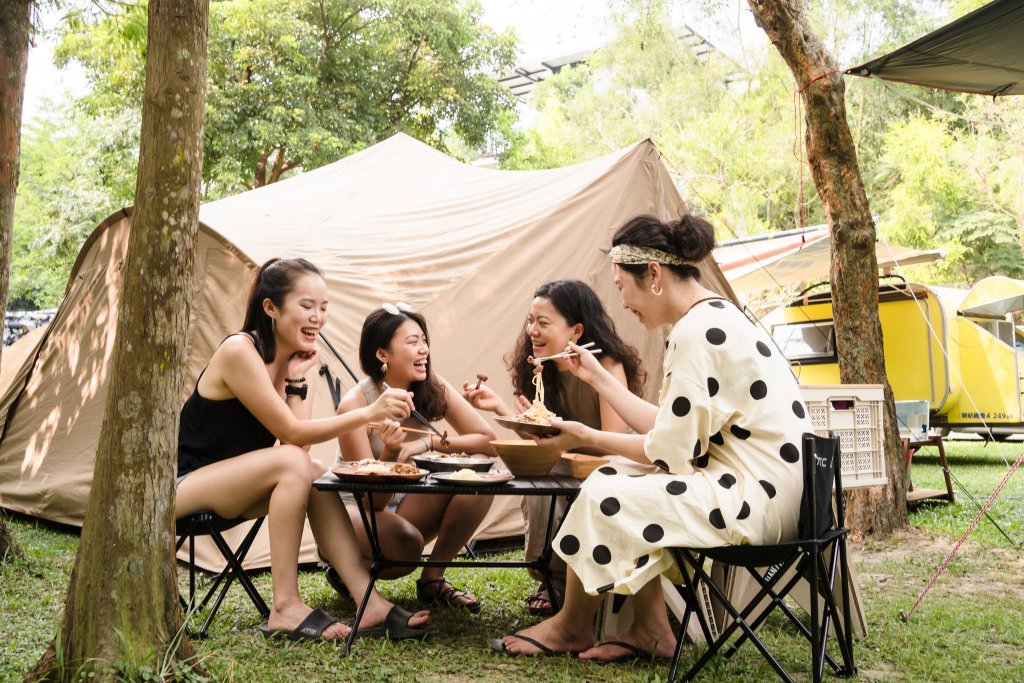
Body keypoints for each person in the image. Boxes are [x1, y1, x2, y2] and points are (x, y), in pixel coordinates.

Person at [493, 214, 813, 661]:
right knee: (615, 476)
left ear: (655, 276)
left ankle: (571, 627)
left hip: (754, 501)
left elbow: (669, 454)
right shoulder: (714, 317)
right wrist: (601, 381)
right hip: (779, 494)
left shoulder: (696, 333)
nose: (621, 302)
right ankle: (651, 630)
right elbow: (670, 427)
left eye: (622, 286)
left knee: (608, 489)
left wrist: (580, 435)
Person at [176, 258, 430, 643]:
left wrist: (298, 379)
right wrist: (368, 412)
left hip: (231, 489)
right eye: (306, 306)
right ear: (271, 308)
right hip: (182, 489)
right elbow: (290, 432)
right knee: (298, 463)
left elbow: (298, 445)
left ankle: (369, 602)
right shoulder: (240, 351)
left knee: (311, 468)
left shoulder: (292, 362)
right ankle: (285, 606)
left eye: (324, 308)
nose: (318, 318)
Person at [462, 279, 645, 615]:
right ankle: (549, 577)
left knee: (559, 482)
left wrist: (568, 444)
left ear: (576, 331)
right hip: (564, 463)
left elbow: (613, 443)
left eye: (543, 323)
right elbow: (544, 440)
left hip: (606, 465)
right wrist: (501, 408)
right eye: (531, 321)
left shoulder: (606, 366)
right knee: (537, 481)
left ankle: (566, 583)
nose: (532, 330)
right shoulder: (542, 370)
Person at [334, 303, 497, 612]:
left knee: (480, 475)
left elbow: (488, 441)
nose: (423, 350)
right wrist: (392, 452)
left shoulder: (430, 385)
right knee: (407, 545)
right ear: (382, 354)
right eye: (412, 342)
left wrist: (428, 442)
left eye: (424, 340)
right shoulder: (356, 406)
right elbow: (372, 501)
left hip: (404, 499)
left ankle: (433, 579)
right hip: (356, 512)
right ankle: (346, 568)